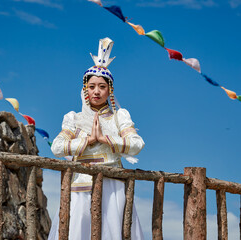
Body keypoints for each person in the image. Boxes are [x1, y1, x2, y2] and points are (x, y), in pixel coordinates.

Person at [48, 37, 145, 240]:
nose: (96, 91)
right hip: (79, 187)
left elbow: (137, 145)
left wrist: (107, 139)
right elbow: (57, 147)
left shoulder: (120, 116)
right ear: (85, 89)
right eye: (92, 86)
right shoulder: (73, 118)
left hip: (113, 186)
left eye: (102, 86)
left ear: (110, 90)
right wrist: (88, 141)